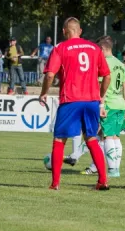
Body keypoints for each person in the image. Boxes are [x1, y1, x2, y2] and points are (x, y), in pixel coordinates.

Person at [39, 17, 111, 191]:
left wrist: (44, 93)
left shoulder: (60, 48)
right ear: (80, 31)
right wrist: (100, 96)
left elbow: (49, 75)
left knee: (59, 140)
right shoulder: (95, 48)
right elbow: (106, 76)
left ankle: (55, 184)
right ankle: (102, 181)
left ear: (64, 31)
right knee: (92, 138)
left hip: (71, 99)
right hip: (91, 101)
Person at [64, 46, 125, 169]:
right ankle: (81, 159)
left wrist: (123, 80)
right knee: (104, 133)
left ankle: (91, 164)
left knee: (106, 134)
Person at [81, 36, 125, 178]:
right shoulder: (120, 64)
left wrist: (100, 103)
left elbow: (101, 85)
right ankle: (115, 168)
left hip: (108, 104)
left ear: (102, 49)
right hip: (120, 103)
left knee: (107, 137)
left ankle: (113, 170)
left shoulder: (103, 63)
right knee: (115, 137)